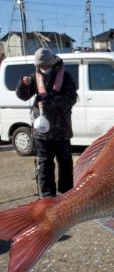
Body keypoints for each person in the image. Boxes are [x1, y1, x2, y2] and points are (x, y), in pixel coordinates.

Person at [16, 48, 77, 198]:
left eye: (45, 65)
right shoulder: (34, 77)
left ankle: (66, 193)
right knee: (44, 164)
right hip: (41, 131)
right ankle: (47, 196)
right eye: (40, 66)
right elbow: (23, 96)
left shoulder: (66, 77)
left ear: (52, 62)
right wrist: (23, 85)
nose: (43, 68)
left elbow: (71, 99)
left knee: (65, 163)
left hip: (61, 129)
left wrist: (49, 102)